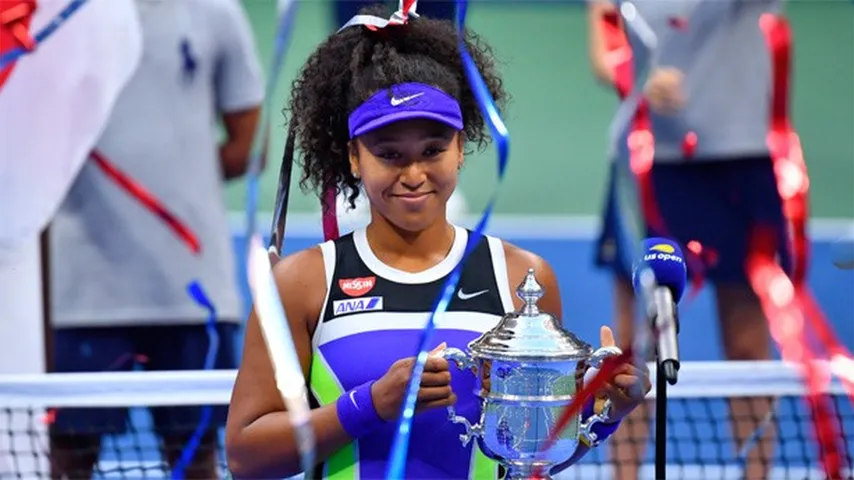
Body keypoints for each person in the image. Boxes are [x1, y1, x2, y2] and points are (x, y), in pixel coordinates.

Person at [225, 5, 651, 479]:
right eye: (389, 155)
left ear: (460, 148)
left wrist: (607, 412)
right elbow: (245, 456)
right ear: (353, 157)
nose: (413, 175)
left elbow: (532, 455)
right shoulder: (301, 283)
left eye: (433, 150)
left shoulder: (522, 279)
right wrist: (369, 404)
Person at [48, 0, 264, 478]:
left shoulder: (217, 13)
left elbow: (251, 147)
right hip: (79, 297)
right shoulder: (53, 17)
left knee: (198, 460)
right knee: (68, 460)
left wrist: (178, 190)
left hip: (194, 296)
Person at [588, 1, 787, 479]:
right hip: (648, 164)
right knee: (635, 346)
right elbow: (605, 51)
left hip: (739, 163)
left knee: (747, 347)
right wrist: (636, 79)